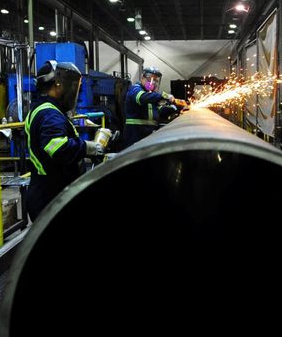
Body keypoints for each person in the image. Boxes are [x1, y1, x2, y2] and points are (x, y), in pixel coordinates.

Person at [25, 60, 104, 221]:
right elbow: (58, 148)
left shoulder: (46, 109)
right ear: (57, 85)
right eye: (71, 84)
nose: (73, 90)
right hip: (51, 196)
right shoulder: (50, 114)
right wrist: (88, 148)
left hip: (49, 191)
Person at [121, 66, 182, 149]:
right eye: (150, 79)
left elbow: (158, 110)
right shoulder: (135, 89)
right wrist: (165, 95)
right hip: (135, 133)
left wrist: (173, 109)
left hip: (148, 132)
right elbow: (142, 98)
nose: (153, 83)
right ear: (142, 78)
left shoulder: (151, 95)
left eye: (156, 80)